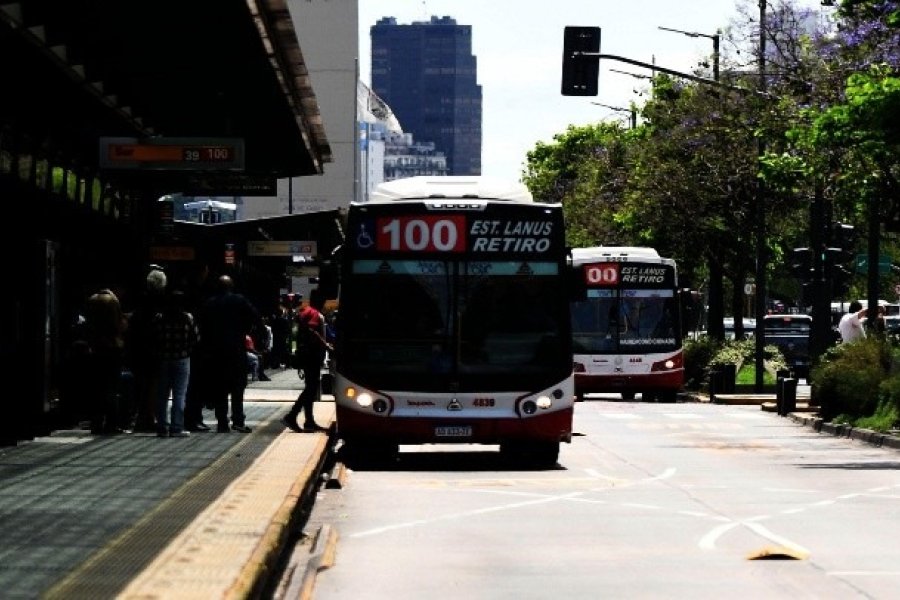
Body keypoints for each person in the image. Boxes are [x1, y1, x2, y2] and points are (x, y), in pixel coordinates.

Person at [198, 275, 260, 433]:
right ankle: (238, 420)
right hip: (236, 350)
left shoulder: (209, 303)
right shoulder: (239, 300)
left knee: (220, 387)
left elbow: (202, 327)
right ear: (231, 286)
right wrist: (244, 329)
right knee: (238, 387)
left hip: (215, 352)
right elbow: (255, 316)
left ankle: (222, 422)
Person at [282, 289, 332, 433]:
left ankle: (309, 421)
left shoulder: (305, 311)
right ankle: (291, 416)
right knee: (311, 388)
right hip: (312, 355)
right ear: (319, 301)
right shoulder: (314, 313)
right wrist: (326, 345)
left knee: (310, 388)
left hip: (306, 355)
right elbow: (312, 331)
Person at [124, 268, 168, 432]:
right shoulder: (160, 303)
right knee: (152, 386)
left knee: (141, 386)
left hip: (137, 350)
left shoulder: (139, 301)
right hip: (154, 351)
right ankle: (147, 420)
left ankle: (141, 418)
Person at [151, 289, 200, 437]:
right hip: (182, 358)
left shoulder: (159, 317)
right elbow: (196, 338)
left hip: (163, 359)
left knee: (162, 394)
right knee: (179, 394)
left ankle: (161, 426)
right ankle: (176, 427)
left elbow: (153, 338)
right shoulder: (187, 318)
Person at [84, 288, 128, 435]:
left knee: (97, 387)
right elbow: (118, 325)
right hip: (112, 347)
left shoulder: (92, 301)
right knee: (112, 387)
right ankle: (112, 423)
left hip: (96, 347)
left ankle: (96, 423)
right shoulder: (113, 301)